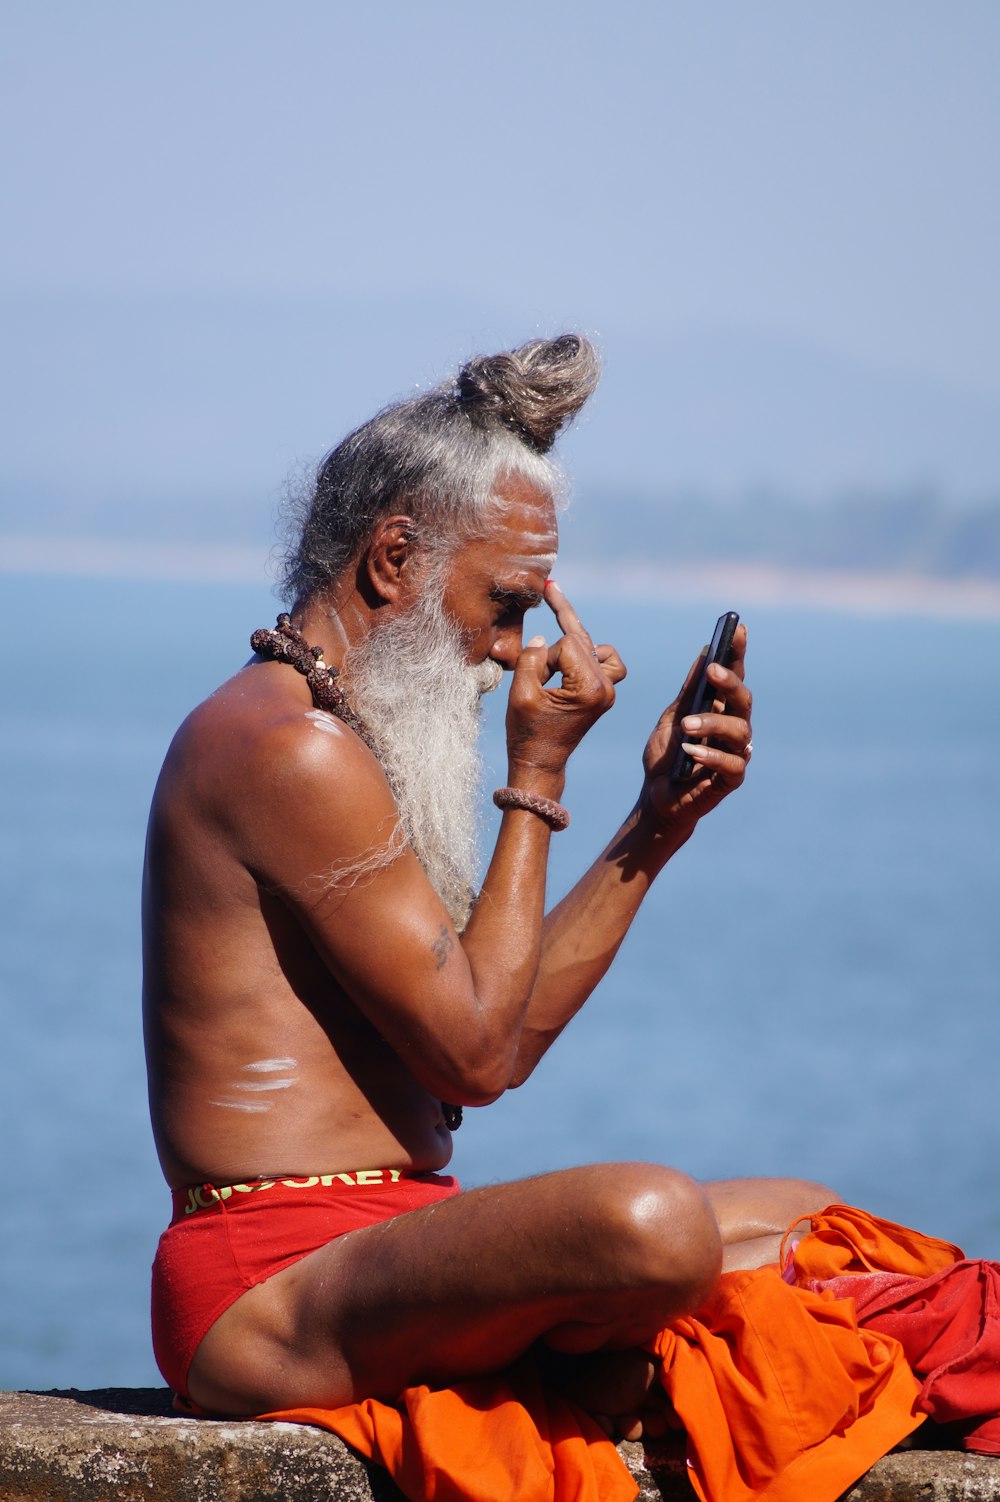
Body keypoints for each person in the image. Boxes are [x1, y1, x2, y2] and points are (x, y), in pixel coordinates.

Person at [144, 334, 833, 1435]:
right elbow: (472, 1051)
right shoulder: (291, 751)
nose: (515, 652)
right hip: (268, 1285)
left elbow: (488, 1047)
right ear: (393, 559)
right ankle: (604, 1366)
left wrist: (656, 823)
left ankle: (602, 1356)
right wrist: (538, 773)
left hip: (392, 1249)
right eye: (507, 604)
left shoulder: (350, 739)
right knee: (654, 1220)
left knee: (812, 1220)